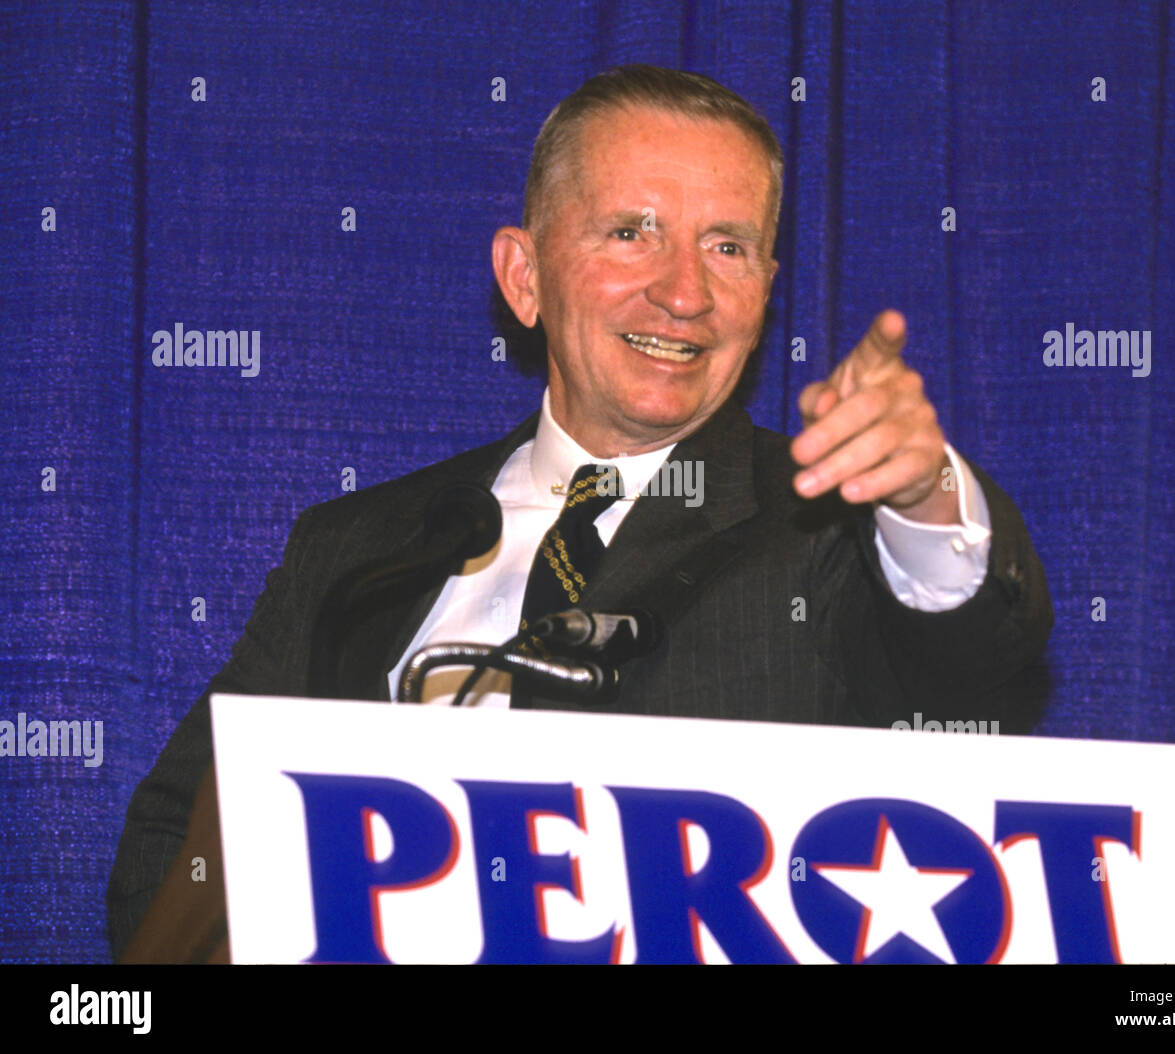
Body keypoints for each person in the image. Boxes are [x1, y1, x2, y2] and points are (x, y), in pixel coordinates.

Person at [106, 65, 1053, 961]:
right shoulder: (361, 549)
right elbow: (173, 846)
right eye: (631, 233)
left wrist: (920, 495)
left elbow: (962, 676)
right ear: (524, 278)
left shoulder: (823, 531)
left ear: (765, 289)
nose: (684, 293)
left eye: (727, 246)